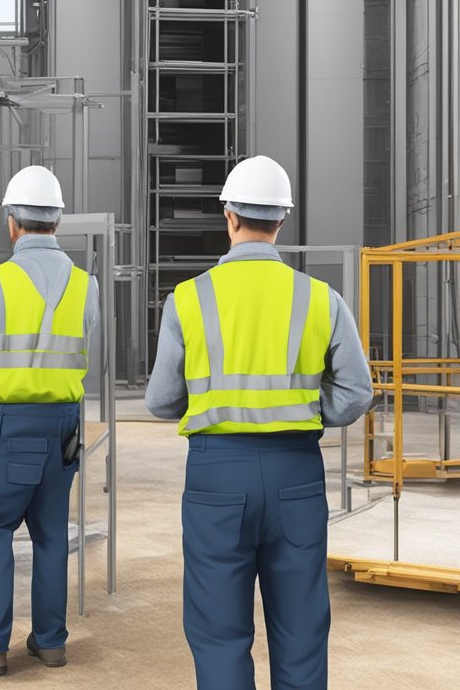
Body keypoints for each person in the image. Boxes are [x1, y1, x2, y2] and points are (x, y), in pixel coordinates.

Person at [145, 155, 374, 690]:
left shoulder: (188, 299)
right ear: (281, 221)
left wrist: (210, 404)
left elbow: (160, 400)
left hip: (216, 476)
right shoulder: (321, 298)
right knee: (300, 629)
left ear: (229, 216)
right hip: (296, 474)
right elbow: (356, 393)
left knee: (219, 632)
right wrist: (308, 410)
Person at [0, 165, 99, 677]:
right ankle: (50, 642)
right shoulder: (85, 285)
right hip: (66, 429)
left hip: (18, 428)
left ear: (12, 222)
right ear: (57, 221)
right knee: (51, 533)